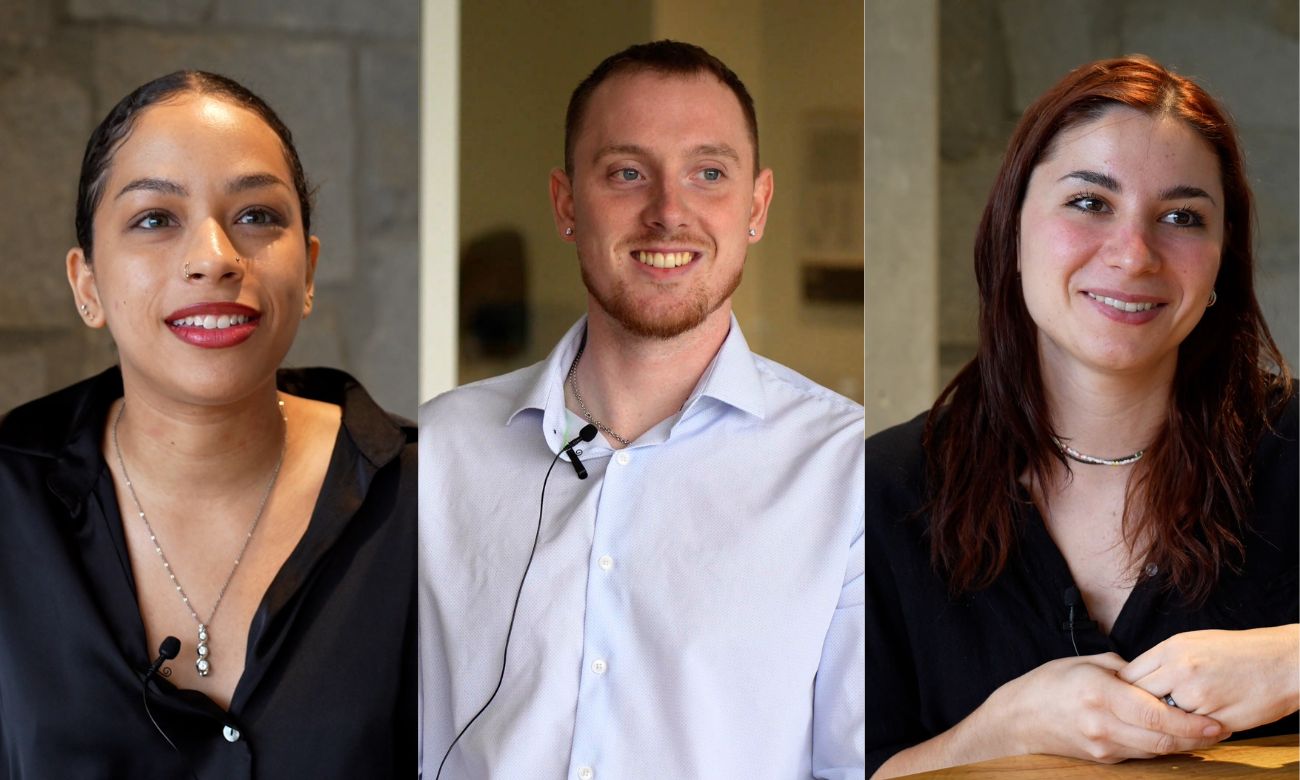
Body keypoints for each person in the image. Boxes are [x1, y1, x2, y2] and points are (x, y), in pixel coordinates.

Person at [419, 41, 865, 778]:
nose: (667, 212)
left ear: (756, 207)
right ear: (567, 204)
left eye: (709, 174)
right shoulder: (438, 452)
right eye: (627, 173)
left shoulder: (843, 472)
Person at [864, 56, 1297, 777]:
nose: (1133, 255)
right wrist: (1002, 728)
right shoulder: (882, 493)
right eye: (1091, 203)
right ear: (1012, 231)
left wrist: (1291, 660)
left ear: (1223, 261)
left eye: (1182, 217)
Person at [0, 71, 415, 777]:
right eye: (155, 219)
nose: (215, 259)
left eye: (257, 216)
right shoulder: (11, 502)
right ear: (87, 285)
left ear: (309, 271)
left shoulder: (425, 499)